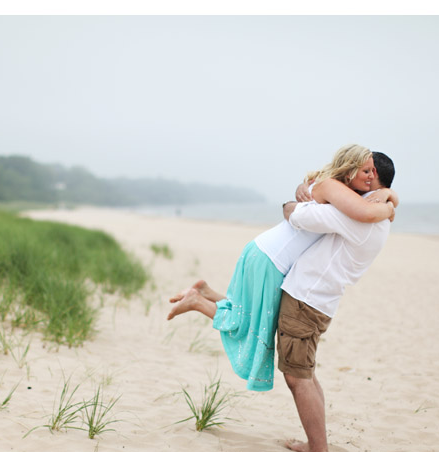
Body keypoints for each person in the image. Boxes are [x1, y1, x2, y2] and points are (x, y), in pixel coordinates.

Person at [167, 144, 397, 393]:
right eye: (366, 170)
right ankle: (197, 302)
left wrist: (389, 195)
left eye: (373, 172)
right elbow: (363, 211)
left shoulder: (330, 186)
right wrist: (389, 205)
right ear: (350, 168)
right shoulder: (333, 187)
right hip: (271, 258)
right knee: (251, 327)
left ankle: (206, 292)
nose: (370, 176)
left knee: (252, 318)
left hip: (267, 253)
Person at [279, 151, 396, 452]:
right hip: (318, 299)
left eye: (364, 171)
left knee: (297, 376)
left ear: (372, 178)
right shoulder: (375, 214)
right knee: (306, 374)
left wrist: (291, 204)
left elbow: (299, 216)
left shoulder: (358, 216)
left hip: (307, 299)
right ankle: (315, 444)